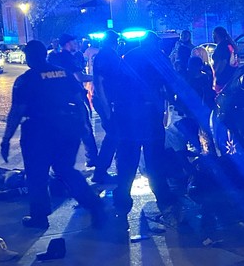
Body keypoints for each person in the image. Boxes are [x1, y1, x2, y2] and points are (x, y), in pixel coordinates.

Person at [0, 40, 105, 229]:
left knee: (37, 175)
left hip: (38, 132)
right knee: (65, 169)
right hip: (67, 129)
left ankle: (39, 217)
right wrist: (83, 126)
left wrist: (6, 139)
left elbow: (17, 111)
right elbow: (79, 101)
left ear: (29, 57)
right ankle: (93, 203)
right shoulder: (63, 73)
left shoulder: (26, 80)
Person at [112, 31, 178, 226]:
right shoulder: (159, 57)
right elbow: (172, 83)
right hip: (150, 118)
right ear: (155, 43)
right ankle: (165, 204)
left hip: (127, 118)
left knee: (127, 164)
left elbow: (116, 86)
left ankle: (121, 206)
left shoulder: (128, 56)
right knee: (155, 164)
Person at [49, 34, 99, 167]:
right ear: (67, 43)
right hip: (75, 97)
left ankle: (61, 163)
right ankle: (92, 159)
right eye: (74, 42)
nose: (76, 43)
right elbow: (79, 77)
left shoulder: (56, 57)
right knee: (86, 128)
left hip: (60, 99)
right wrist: (96, 77)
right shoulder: (68, 58)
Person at [91, 30, 122, 184]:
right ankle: (100, 172)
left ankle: (107, 170)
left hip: (109, 101)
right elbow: (99, 82)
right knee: (113, 135)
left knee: (115, 135)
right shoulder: (105, 56)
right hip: (106, 102)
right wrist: (106, 108)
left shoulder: (108, 55)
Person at [211, 26, 238, 95]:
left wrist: (217, 75)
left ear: (217, 35)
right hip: (231, 75)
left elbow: (223, 62)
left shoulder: (222, 47)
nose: (213, 37)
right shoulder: (229, 45)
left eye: (214, 34)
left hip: (223, 78)